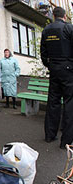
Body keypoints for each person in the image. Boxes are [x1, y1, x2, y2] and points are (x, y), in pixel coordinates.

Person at [40, 7, 73, 149]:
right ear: (64, 16)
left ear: (53, 16)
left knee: (53, 101)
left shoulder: (46, 30)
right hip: (68, 69)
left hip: (53, 68)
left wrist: (50, 65)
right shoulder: (68, 28)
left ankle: (49, 135)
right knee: (69, 103)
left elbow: (43, 52)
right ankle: (66, 141)